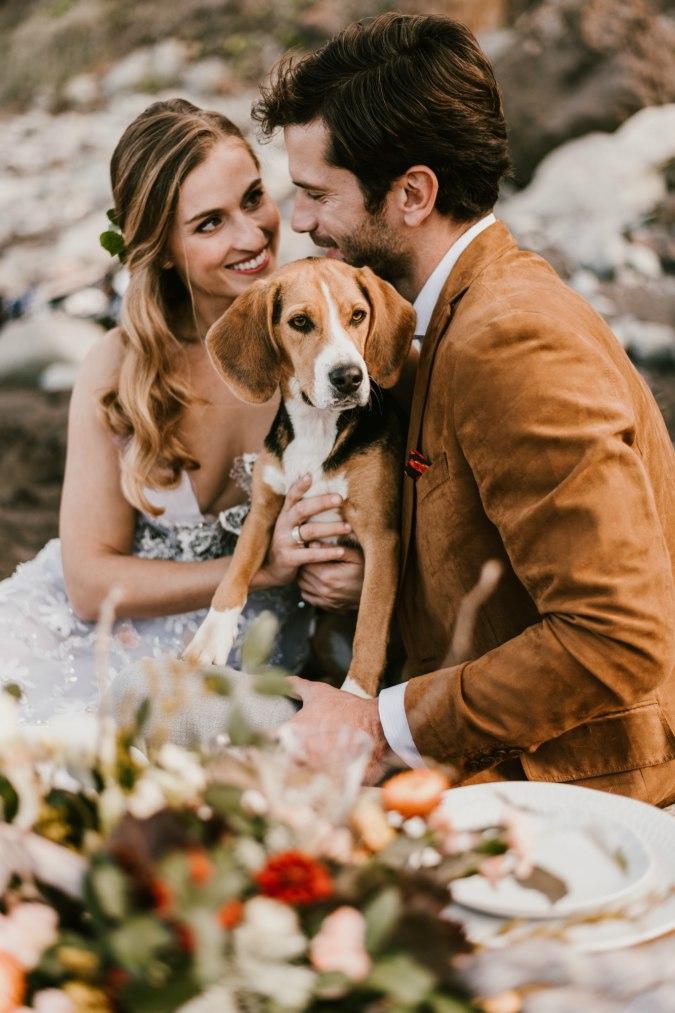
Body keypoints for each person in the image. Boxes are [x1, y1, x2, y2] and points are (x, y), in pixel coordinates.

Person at [253, 13, 675, 805]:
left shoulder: (509, 338)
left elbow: (616, 636)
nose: (299, 222)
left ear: (412, 193)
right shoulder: (448, 311)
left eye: (315, 194)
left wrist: (376, 726)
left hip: (576, 789)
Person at [0, 97, 351, 725]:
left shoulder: (324, 333)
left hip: (233, 662)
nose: (251, 236)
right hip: (91, 635)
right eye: (209, 224)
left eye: (251, 199)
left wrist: (346, 581)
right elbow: (85, 581)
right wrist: (260, 569)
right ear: (162, 249)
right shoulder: (118, 366)